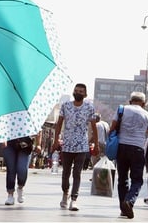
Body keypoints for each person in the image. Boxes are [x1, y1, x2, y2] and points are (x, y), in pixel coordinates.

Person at [111, 91, 148, 219]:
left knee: (122, 179)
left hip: (121, 148)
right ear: (144, 103)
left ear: (130, 101)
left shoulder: (122, 109)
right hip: (137, 150)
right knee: (137, 180)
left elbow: (112, 128)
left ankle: (123, 208)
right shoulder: (147, 115)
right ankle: (129, 201)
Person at [52, 83, 98, 211]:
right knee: (65, 173)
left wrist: (96, 144)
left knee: (77, 173)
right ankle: (65, 193)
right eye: (76, 90)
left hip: (82, 146)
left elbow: (94, 126)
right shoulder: (65, 106)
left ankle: (74, 199)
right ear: (73, 92)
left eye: (81, 91)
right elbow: (59, 123)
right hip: (67, 145)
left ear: (85, 94)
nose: (78, 93)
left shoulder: (89, 107)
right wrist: (56, 141)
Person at [4, 133, 41, 205]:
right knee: (11, 170)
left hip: (25, 144)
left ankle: (20, 187)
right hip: (10, 142)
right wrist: (3, 139)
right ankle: (10, 195)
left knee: (22, 169)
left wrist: (38, 144)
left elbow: (38, 128)